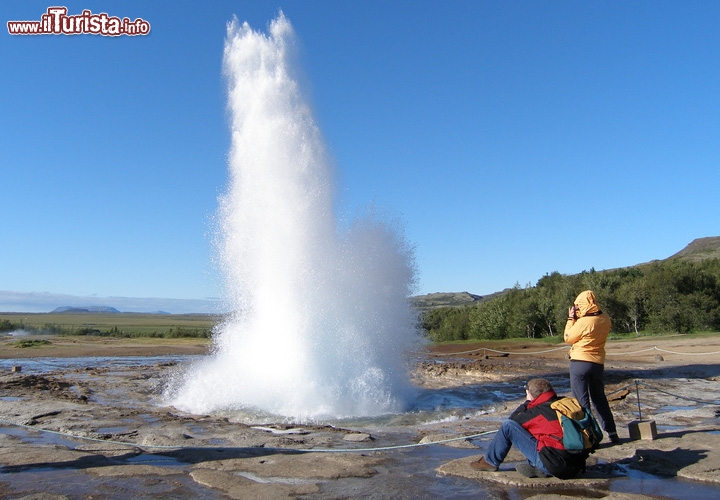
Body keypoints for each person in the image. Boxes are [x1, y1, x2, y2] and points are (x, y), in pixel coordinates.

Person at [469, 378, 585, 479]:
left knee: (508, 425)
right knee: (546, 435)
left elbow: (511, 423)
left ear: (531, 394)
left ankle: (489, 462)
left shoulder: (538, 411)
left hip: (555, 465)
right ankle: (538, 468)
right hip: (576, 466)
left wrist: (527, 402)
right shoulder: (563, 404)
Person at [564, 290, 619, 444]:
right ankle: (612, 432)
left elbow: (568, 337)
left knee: (582, 402)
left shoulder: (584, 322)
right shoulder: (605, 318)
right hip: (598, 363)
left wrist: (571, 318)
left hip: (580, 362)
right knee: (599, 398)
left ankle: (590, 436)